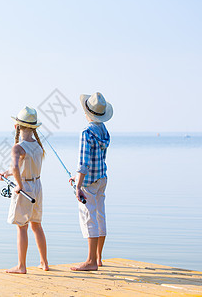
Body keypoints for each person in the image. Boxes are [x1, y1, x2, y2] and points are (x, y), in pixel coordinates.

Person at [0, 106, 49, 274]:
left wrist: (18, 185)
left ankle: (21, 266)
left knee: (22, 226)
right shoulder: (38, 147)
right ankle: (44, 262)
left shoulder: (17, 148)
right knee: (37, 225)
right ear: (34, 128)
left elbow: (16, 167)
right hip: (38, 186)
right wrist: (7, 173)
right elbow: (18, 168)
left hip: (25, 188)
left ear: (17, 127)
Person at [69, 92, 113, 271]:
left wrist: (78, 185)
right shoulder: (104, 131)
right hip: (102, 178)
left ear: (88, 113)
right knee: (100, 216)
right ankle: (98, 257)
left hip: (89, 182)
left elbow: (84, 163)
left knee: (89, 218)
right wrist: (77, 176)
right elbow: (97, 158)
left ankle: (90, 261)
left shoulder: (86, 132)